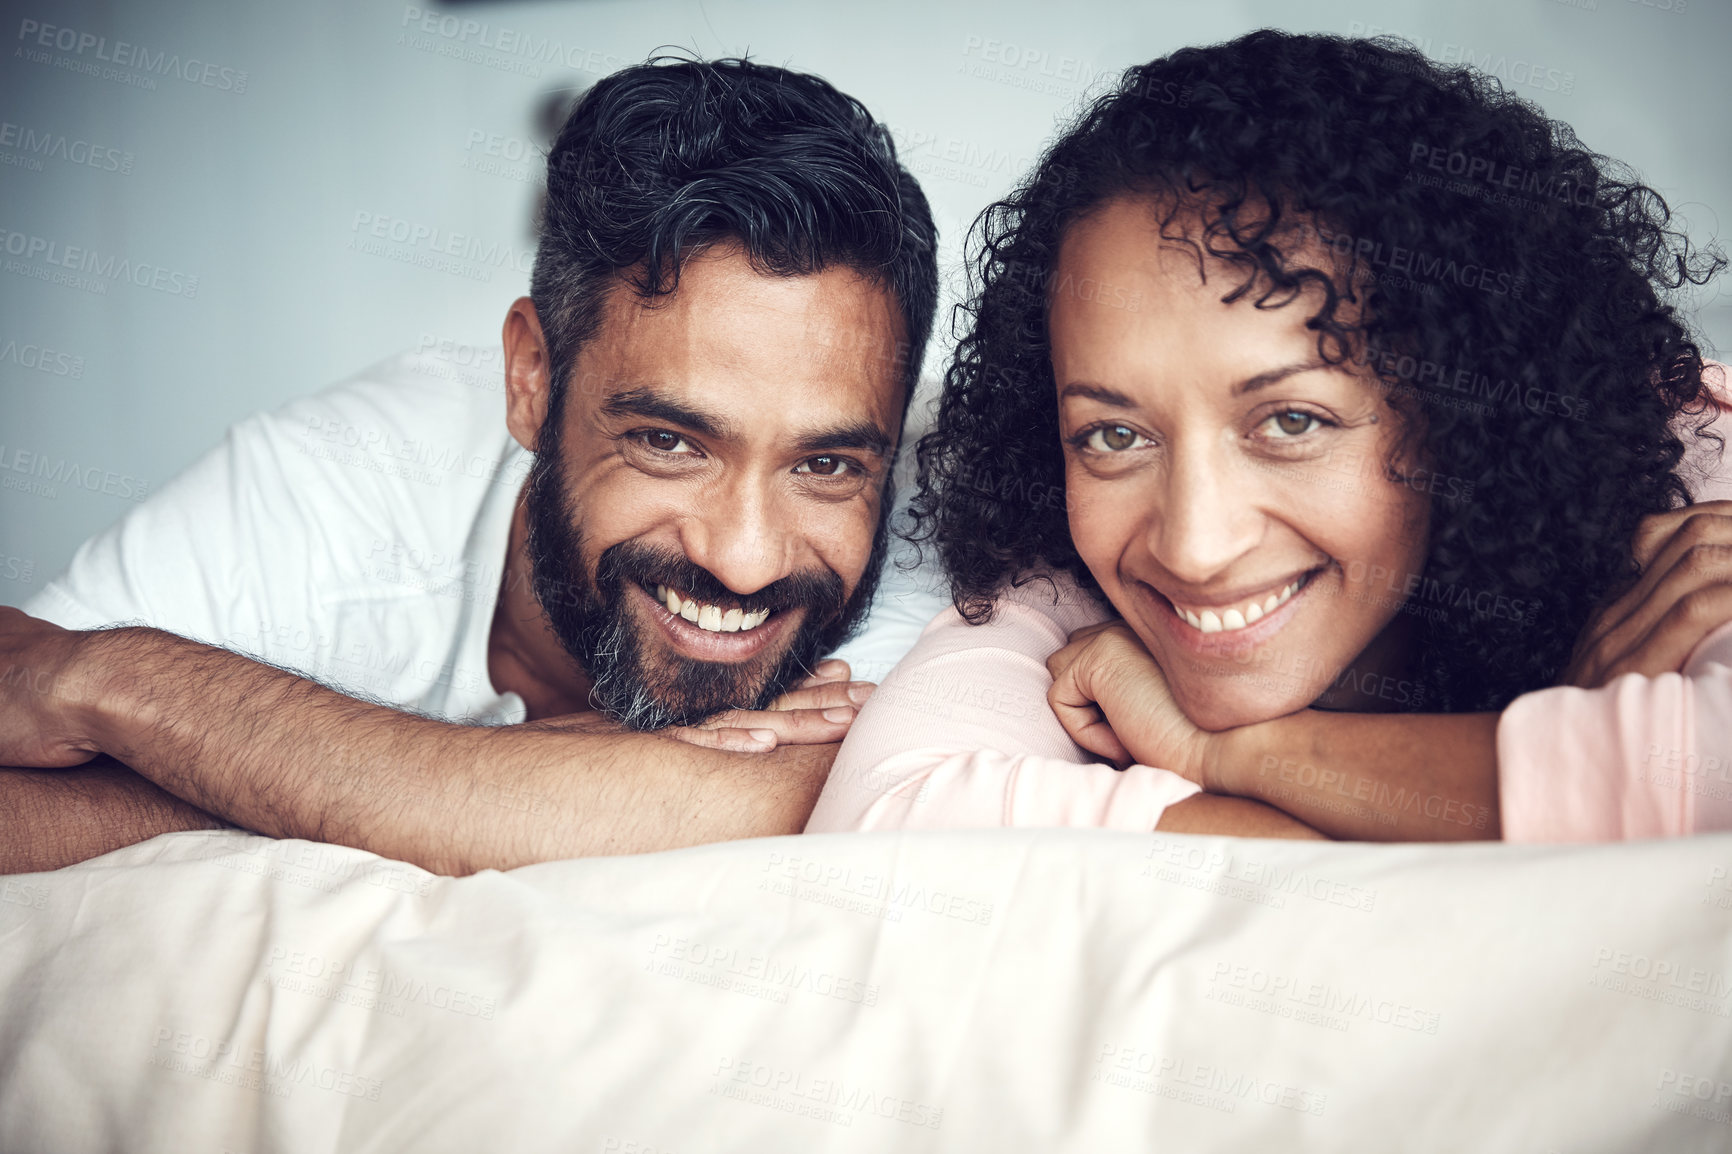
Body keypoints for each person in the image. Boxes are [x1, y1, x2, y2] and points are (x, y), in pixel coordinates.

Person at [0, 57, 957, 875]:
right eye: (669, 443)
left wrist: (125, 685)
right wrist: (485, 782)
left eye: (825, 465)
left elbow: (741, 806)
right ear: (533, 378)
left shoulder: (935, 555)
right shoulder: (331, 480)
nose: (745, 563)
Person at [806, 30, 1732, 842]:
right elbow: (893, 816)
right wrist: (1563, 765)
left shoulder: (1680, 478)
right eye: (1114, 435)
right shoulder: (1071, 581)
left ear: (1468, 415)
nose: (1195, 547)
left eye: (1292, 421)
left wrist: (1224, 752)